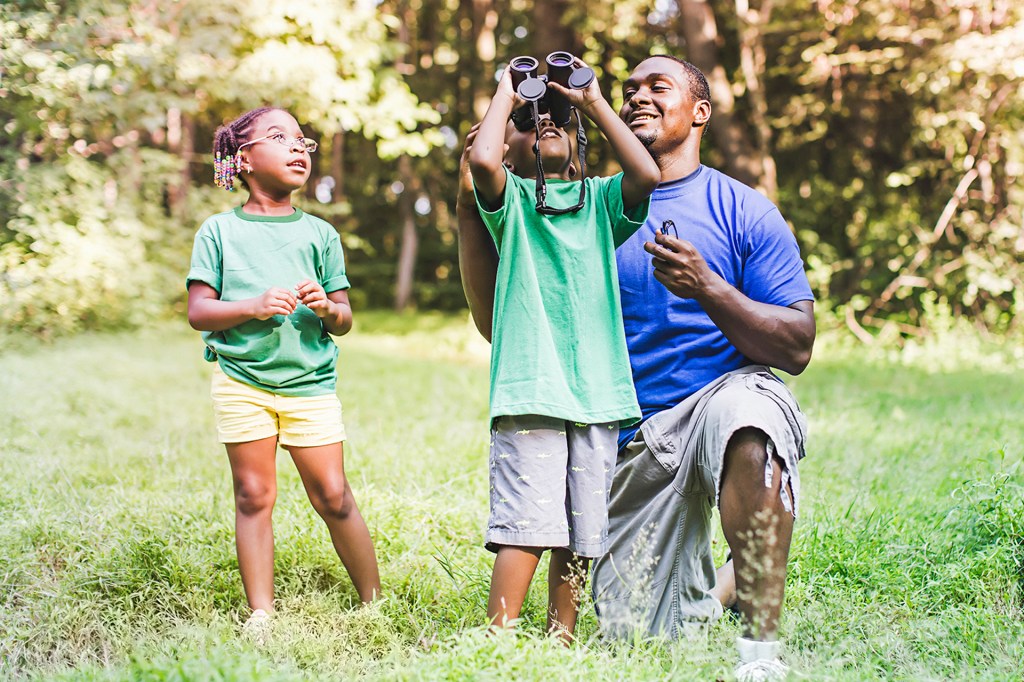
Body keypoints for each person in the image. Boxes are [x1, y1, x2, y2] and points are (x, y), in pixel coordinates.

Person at [457, 55, 815, 681]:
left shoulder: (743, 209)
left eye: (659, 86)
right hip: (625, 437)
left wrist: (710, 288)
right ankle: (727, 577)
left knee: (750, 424)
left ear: (700, 112)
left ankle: (760, 653)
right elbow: (496, 323)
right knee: (634, 628)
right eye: (628, 90)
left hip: (718, 402)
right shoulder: (571, 207)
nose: (638, 96)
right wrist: (475, 186)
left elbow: (798, 345)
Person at [468, 57, 660, 642]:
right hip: (532, 386)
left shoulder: (603, 202)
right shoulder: (514, 204)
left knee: (583, 530)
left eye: (559, 123)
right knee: (526, 525)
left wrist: (592, 101)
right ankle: (498, 638)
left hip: (597, 391)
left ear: (580, 145)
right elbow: (481, 159)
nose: (546, 126)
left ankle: (562, 638)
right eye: (534, 124)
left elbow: (646, 174)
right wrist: (508, 92)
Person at [186, 107, 381, 639]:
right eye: (279, 137)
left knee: (334, 495)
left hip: (309, 385)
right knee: (253, 495)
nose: (298, 148)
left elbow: (343, 320)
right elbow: (199, 311)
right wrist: (250, 305)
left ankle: (373, 603)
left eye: (302, 140)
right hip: (242, 382)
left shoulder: (319, 234)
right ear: (243, 158)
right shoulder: (219, 231)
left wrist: (325, 308)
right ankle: (261, 615)